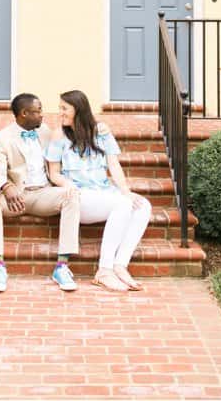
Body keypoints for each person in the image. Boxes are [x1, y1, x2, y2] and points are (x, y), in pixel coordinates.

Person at [46, 89, 152, 292]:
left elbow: (114, 165)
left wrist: (126, 190)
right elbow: (54, 173)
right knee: (123, 204)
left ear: (78, 110)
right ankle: (104, 271)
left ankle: (120, 265)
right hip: (80, 197)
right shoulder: (59, 135)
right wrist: (68, 185)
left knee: (142, 205)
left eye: (64, 108)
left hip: (104, 191)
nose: (60, 113)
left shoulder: (101, 133)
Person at [0, 92, 81, 292]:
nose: (42, 115)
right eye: (38, 111)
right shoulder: (2, 138)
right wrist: (6, 187)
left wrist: (99, 128)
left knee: (72, 194)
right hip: (16, 198)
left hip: (43, 194)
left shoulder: (45, 132)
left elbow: (75, 131)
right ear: (24, 113)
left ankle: (62, 266)